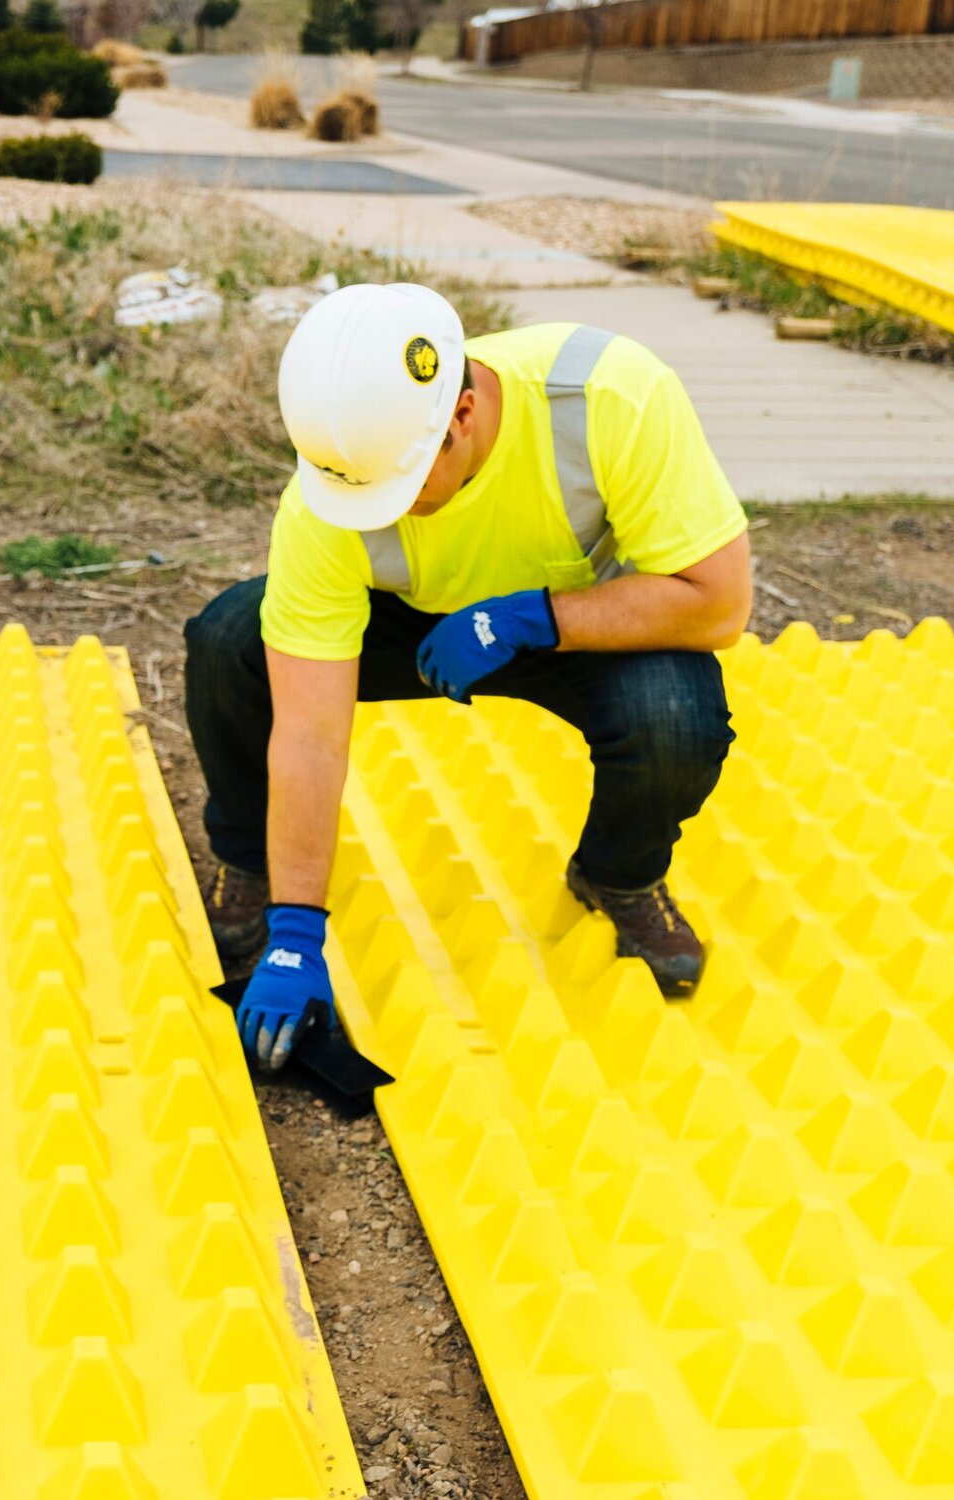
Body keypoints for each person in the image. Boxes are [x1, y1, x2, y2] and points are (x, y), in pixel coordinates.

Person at [185, 283, 752, 1070]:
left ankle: (619, 876)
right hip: (415, 619)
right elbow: (311, 732)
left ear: (462, 415)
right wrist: (295, 933)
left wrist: (527, 620)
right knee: (228, 642)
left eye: (401, 487)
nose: (380, 511)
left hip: (574, 617)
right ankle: (251, 866)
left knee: (675, 715)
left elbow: (720, 605)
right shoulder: (334, 490)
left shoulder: (609, 398)